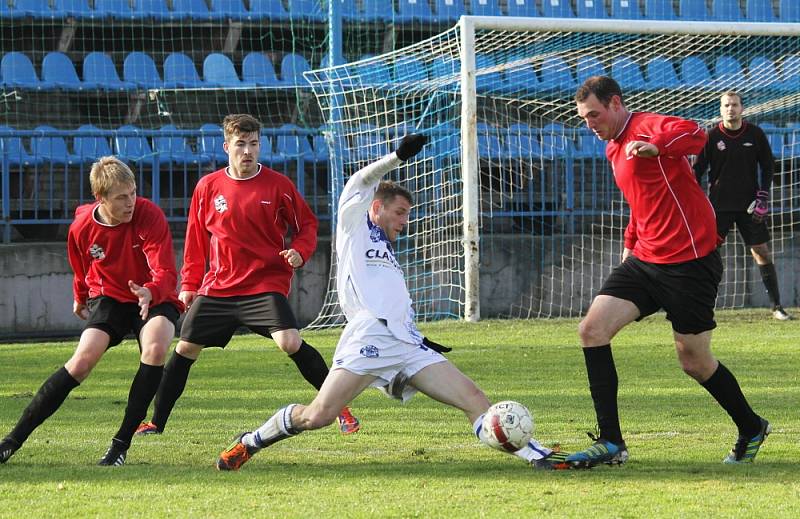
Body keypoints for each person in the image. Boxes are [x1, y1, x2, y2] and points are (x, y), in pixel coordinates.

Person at [213, 134, 574, 472]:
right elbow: (359, 180)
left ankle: (537, 455)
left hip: (407, 344)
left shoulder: (386, 250)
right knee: (318, 416)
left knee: (475, 398)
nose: (405, 221)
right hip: (368, 338)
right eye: (400, 212)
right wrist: (398, 157)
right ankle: (251, 441)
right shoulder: (353, 225)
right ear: (376, 207)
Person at [567, 76, 770, 468]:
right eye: (584, 118)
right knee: (591, 330)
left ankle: (751, 427)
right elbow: (640, 203)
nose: (590, 123)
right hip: (645, 259)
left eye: (594, 114)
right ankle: (611, 442)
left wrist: (657, 147)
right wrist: (630, 244)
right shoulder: (613, 147)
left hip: (690, 262)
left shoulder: (647, 126)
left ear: (614, 103)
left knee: (693, 361)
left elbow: (696, 135)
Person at [135, 114, 360, 437]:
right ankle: (156, 422)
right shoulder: (208, 187)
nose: (248, 151)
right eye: (240, 144)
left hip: (264, 284)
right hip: (219, 288)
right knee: (185, 349)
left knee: (289, 341)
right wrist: (189, 285)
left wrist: (299, 250)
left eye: (254, 144)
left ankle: (339, 408)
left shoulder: (279, 186)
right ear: (227, 146)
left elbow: (307, 225)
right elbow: (197, 240)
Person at [0, 156, 183, 466]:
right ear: (101, 198)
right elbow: (80, 266)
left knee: (155, 347)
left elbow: (165, 271)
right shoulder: (82, 227)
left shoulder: (149, 215)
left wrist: (150, 291)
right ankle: (11, 441)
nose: (131, 202)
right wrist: (80, 296)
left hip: (154, 294)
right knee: (82, 361)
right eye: (121, 197)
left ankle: (119, 446)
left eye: (133, 193)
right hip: (111, 297)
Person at [693, 91, 792, 321]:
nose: (731, 109)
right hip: (719, 207)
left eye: (734, 105)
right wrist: (695, 200)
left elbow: (768, 166)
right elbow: (696, 171)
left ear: (742, 108)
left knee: (762, 252)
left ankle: (776, 306)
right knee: (708, 255)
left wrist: (763, 196)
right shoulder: (711, 136)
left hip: (750, 207)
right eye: (726, 105)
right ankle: (701, 305)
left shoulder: (755, 134)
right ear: (720, 109)